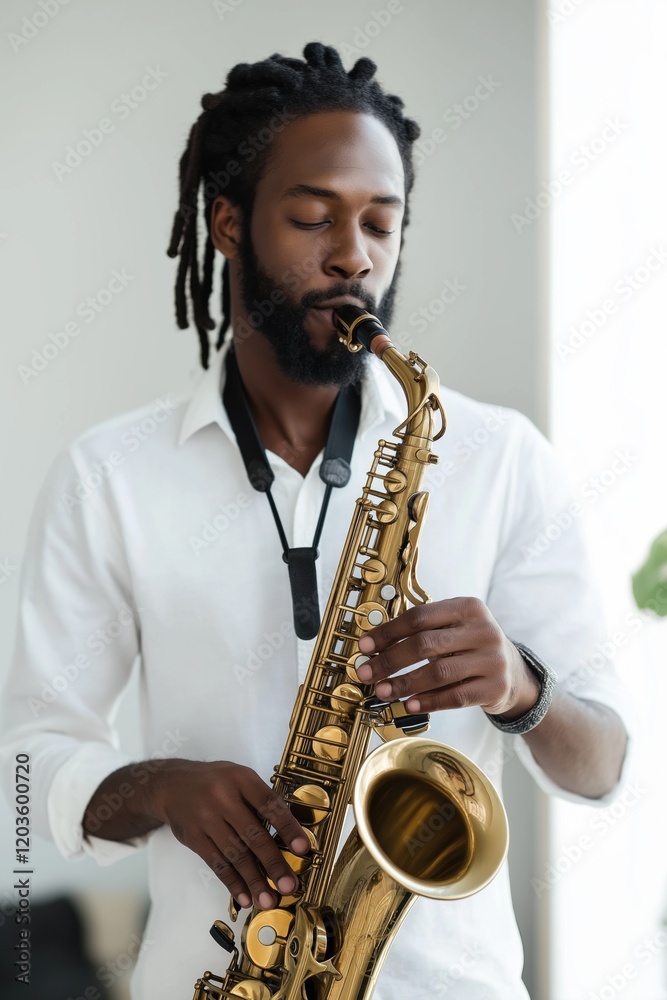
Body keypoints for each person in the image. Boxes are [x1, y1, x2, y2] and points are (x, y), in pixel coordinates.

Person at [0, 42, 632, 1000]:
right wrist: (157, 786)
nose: (354, 256)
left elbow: (605, 766)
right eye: (312, 217)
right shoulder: (108, 476)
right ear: (225, 224)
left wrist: (521, 688)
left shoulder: (499, 456)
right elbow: (24, 766)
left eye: (382, 223)